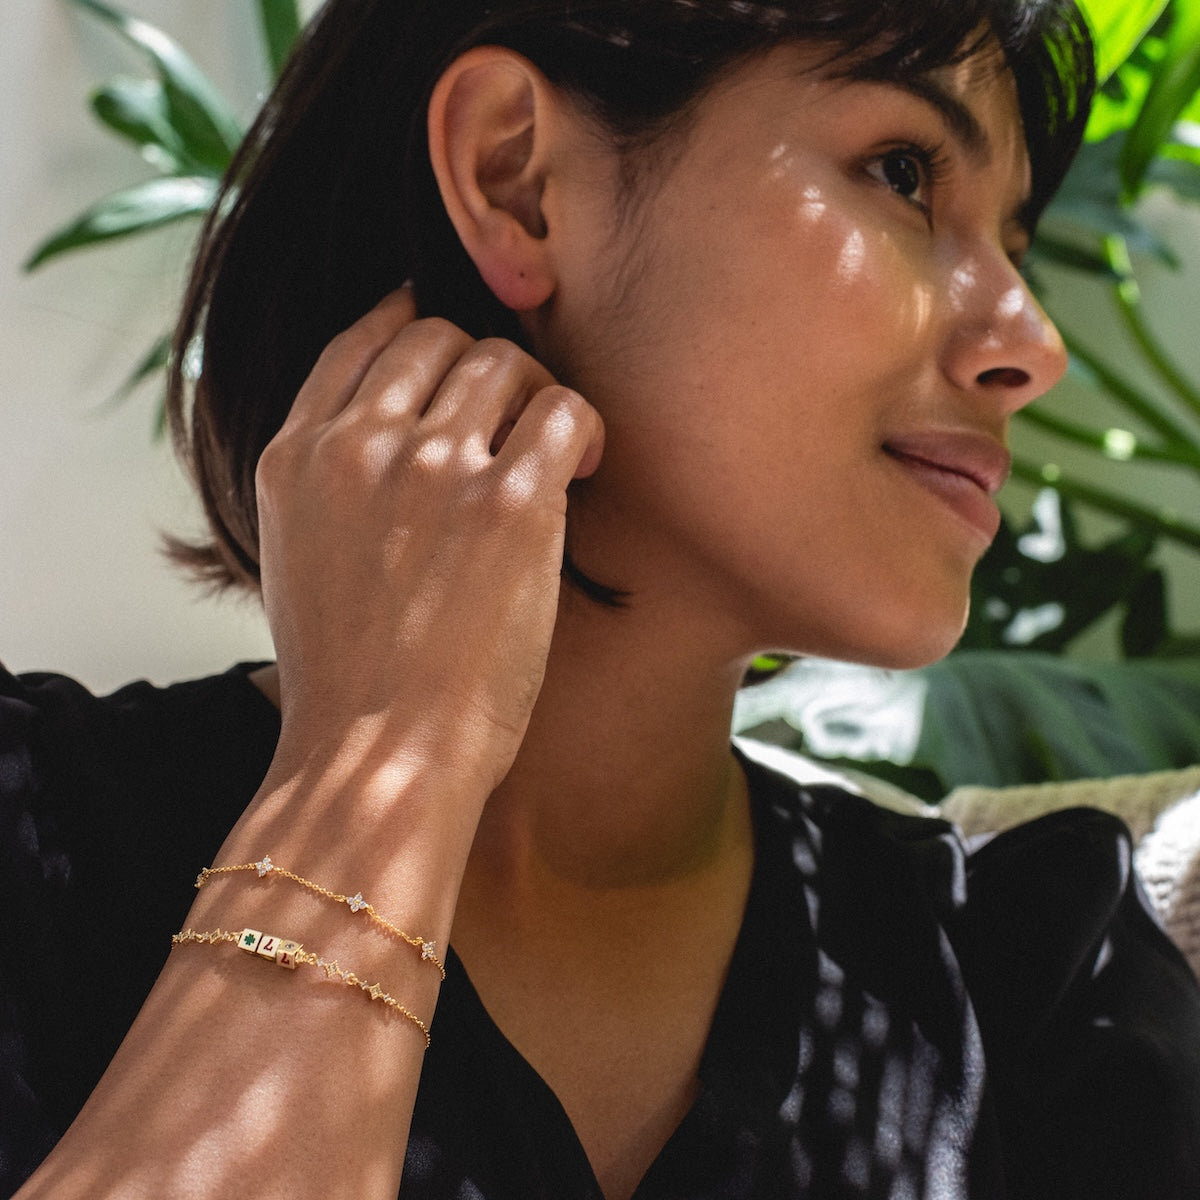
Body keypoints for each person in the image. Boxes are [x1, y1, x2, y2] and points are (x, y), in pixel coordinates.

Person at [4, 0, 1200, 1196]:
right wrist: (383, 765)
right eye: (903, 173)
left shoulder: (1035, 990)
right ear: (516, 177)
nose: (1028, 343)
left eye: (1017, 247)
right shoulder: (36, 850)